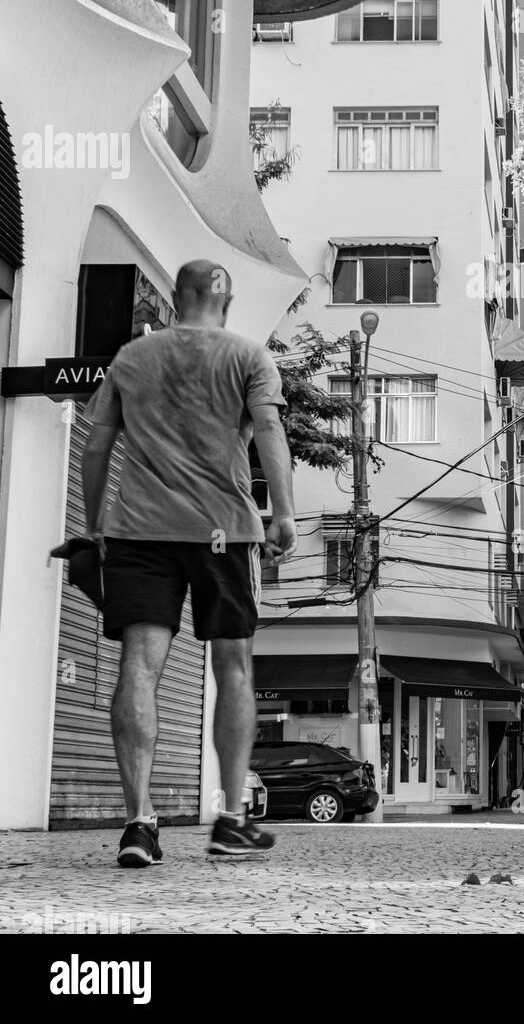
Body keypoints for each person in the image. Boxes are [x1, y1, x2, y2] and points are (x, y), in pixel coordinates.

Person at [81, 260, 297, 867]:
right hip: (222, 534)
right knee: (233, 668)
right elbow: (270, 428)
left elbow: (97, 446)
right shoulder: (248, 356)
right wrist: (283, 513)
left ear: (178, 298)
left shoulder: (131, 358)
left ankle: (139, 823)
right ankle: (230, 820)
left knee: (140, 666)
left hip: (138, 533)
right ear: (226, 302)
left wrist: (95, 523)